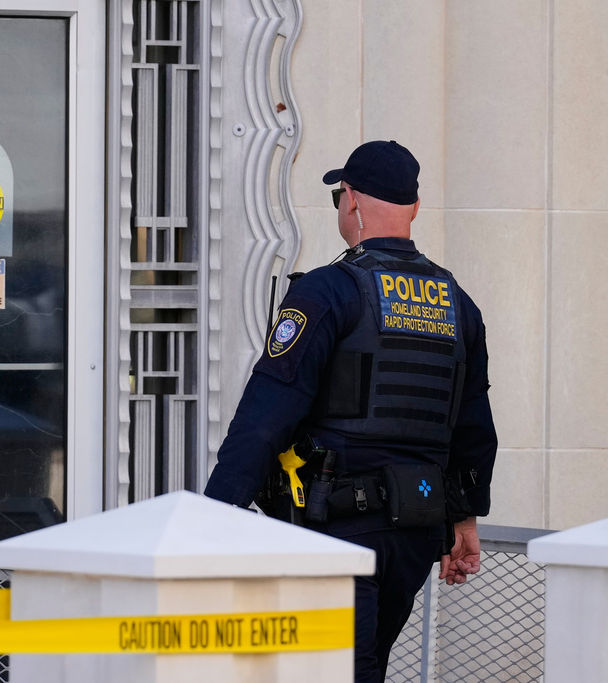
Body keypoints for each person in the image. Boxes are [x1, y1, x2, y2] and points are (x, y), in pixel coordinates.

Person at [204, 140, 497, 681]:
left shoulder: (327, 293)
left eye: (340, 194)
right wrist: (465, 516)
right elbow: (474, 425)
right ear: (412, 207)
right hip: (414, 534)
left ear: (352, 201)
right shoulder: (459, 305)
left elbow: (265, 417)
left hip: (337, 530)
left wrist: (213, 517)